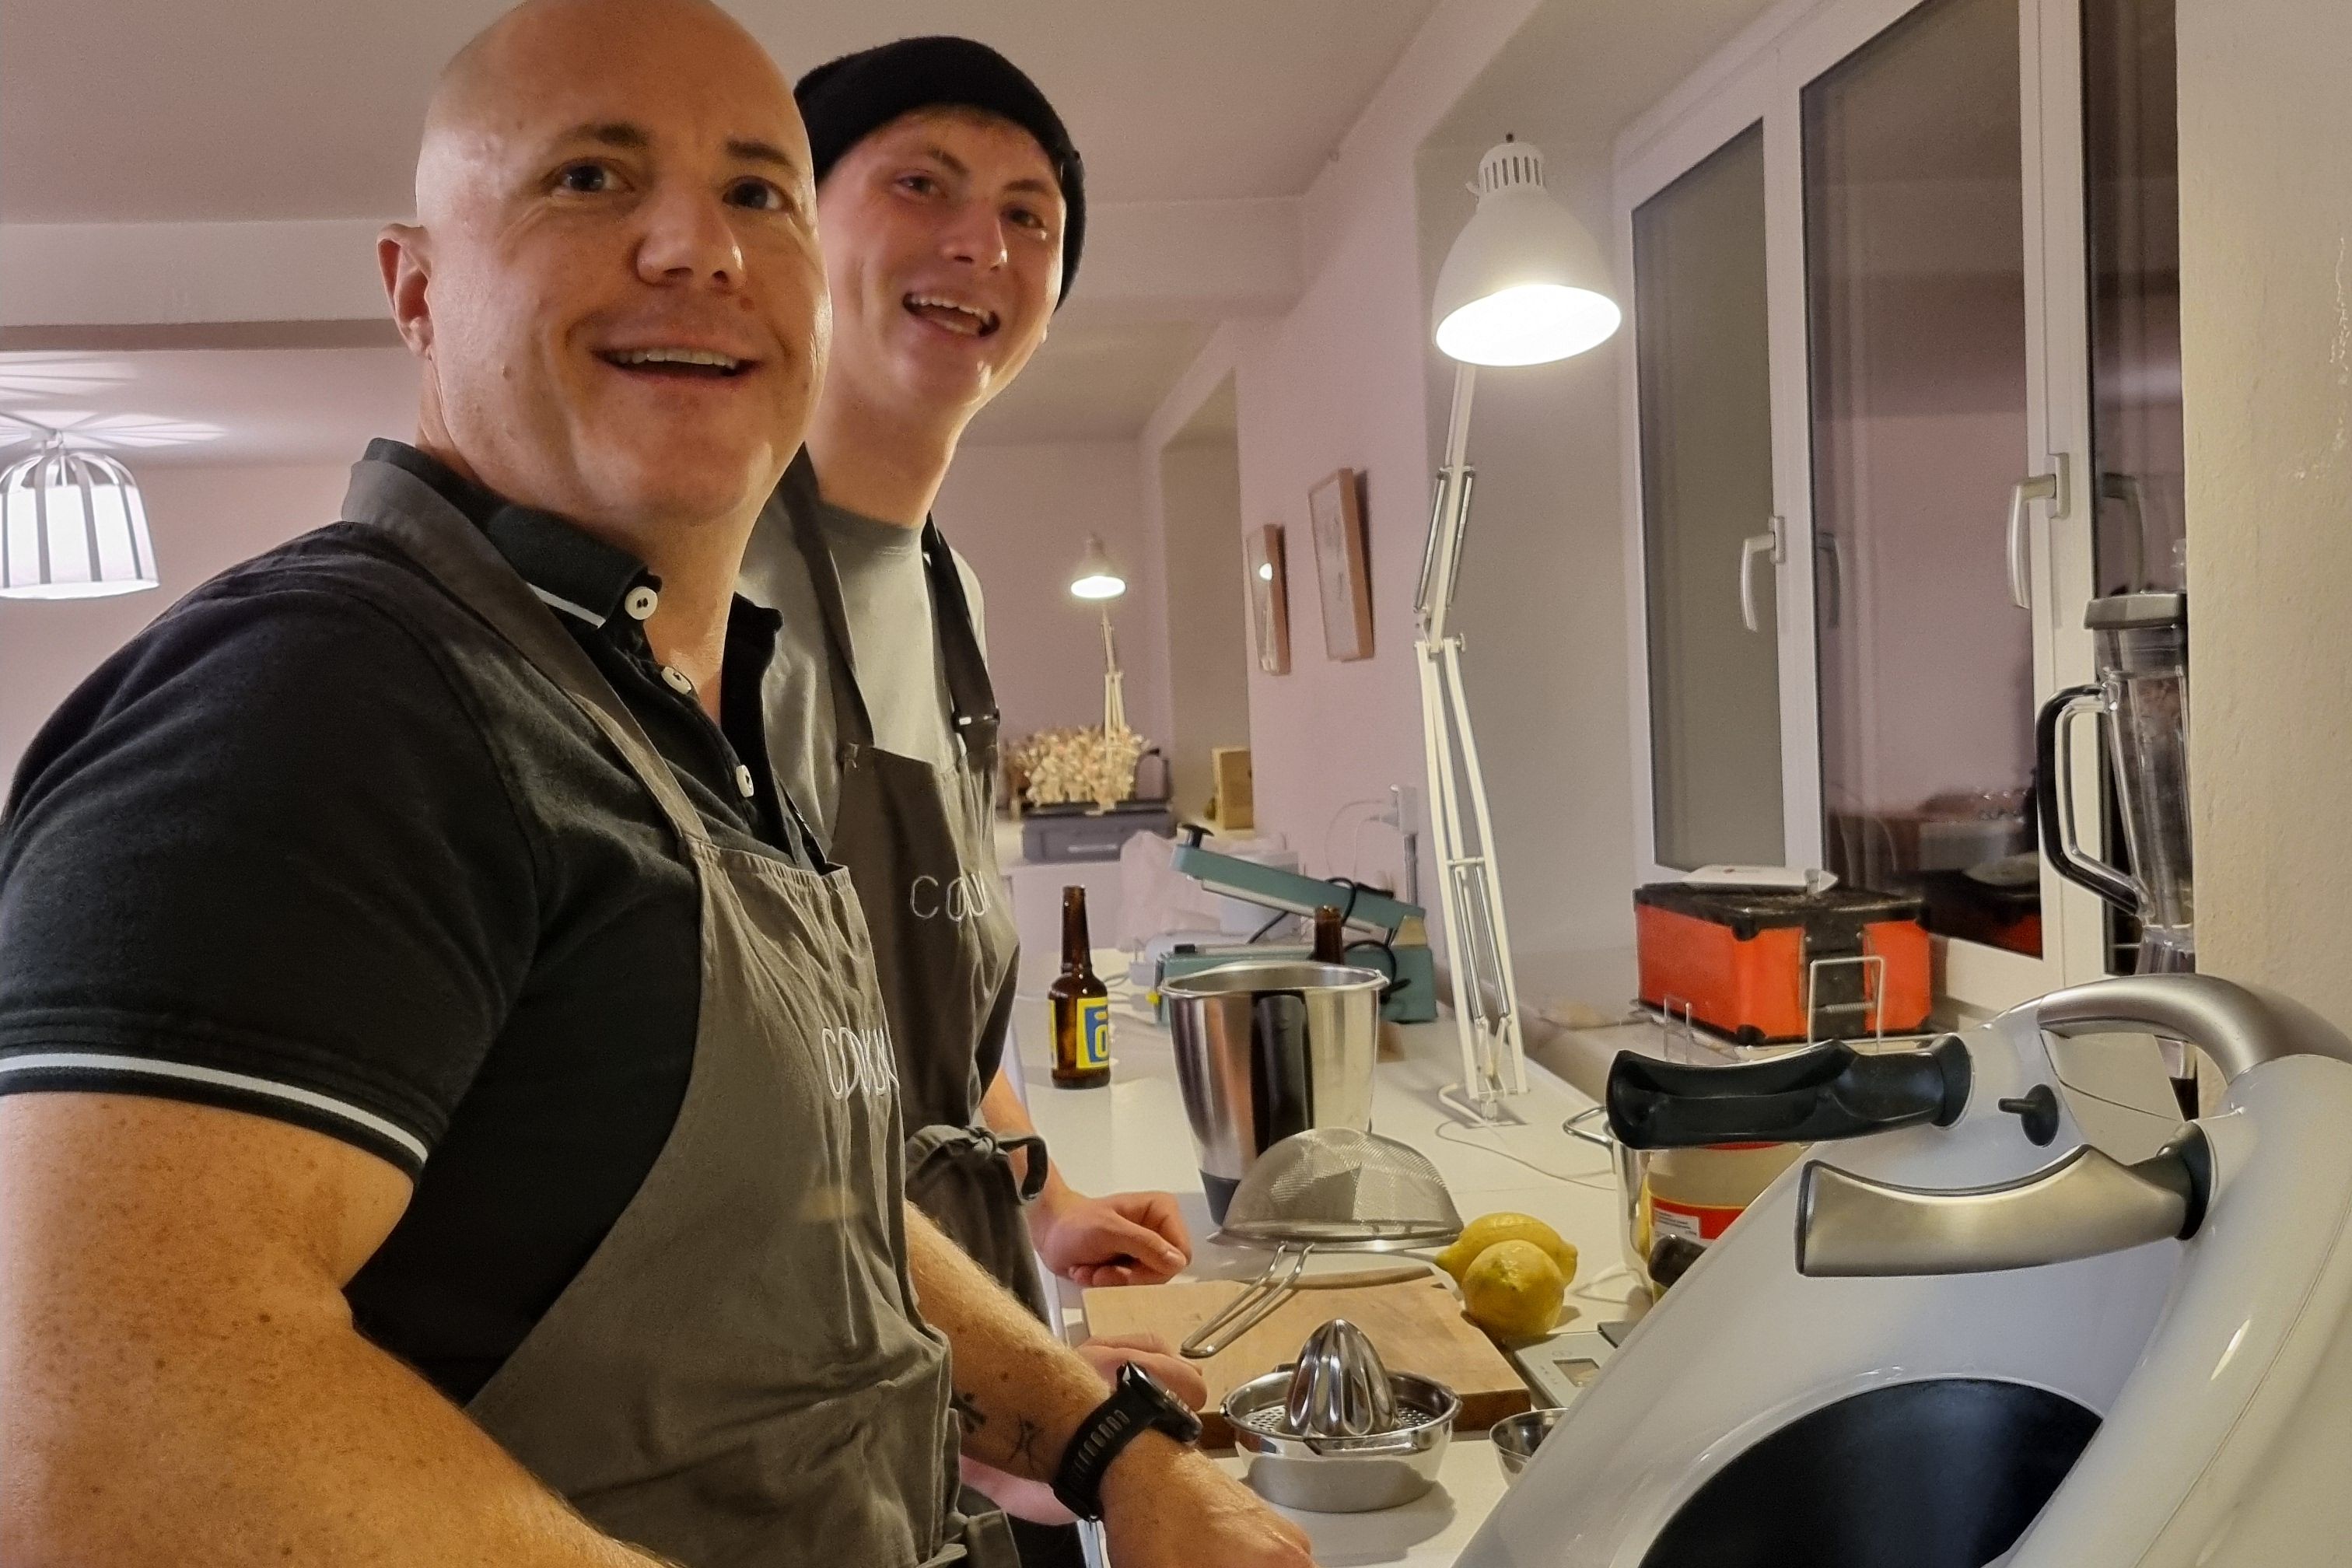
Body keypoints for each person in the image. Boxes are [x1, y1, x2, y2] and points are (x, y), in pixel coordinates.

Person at [0, 4, 1317, 1566]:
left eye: (756, 192)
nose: (700, 247)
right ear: (416, 288)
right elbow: (100, 1437)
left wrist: (1104, 1447)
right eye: (591, 179)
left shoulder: (685, 710)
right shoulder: (327, 695)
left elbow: (804, 1205)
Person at [736, 42, 1194, 1556]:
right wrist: (1023, 1419)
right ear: (789, 225)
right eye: (920, 186)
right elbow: (736, 1101)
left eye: (1028, 216)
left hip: (965, 1314)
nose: (980, 245)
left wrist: (1045, 1197)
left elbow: (926, 996)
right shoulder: (705, 579)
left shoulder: (951, 594)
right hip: (797, 1370)